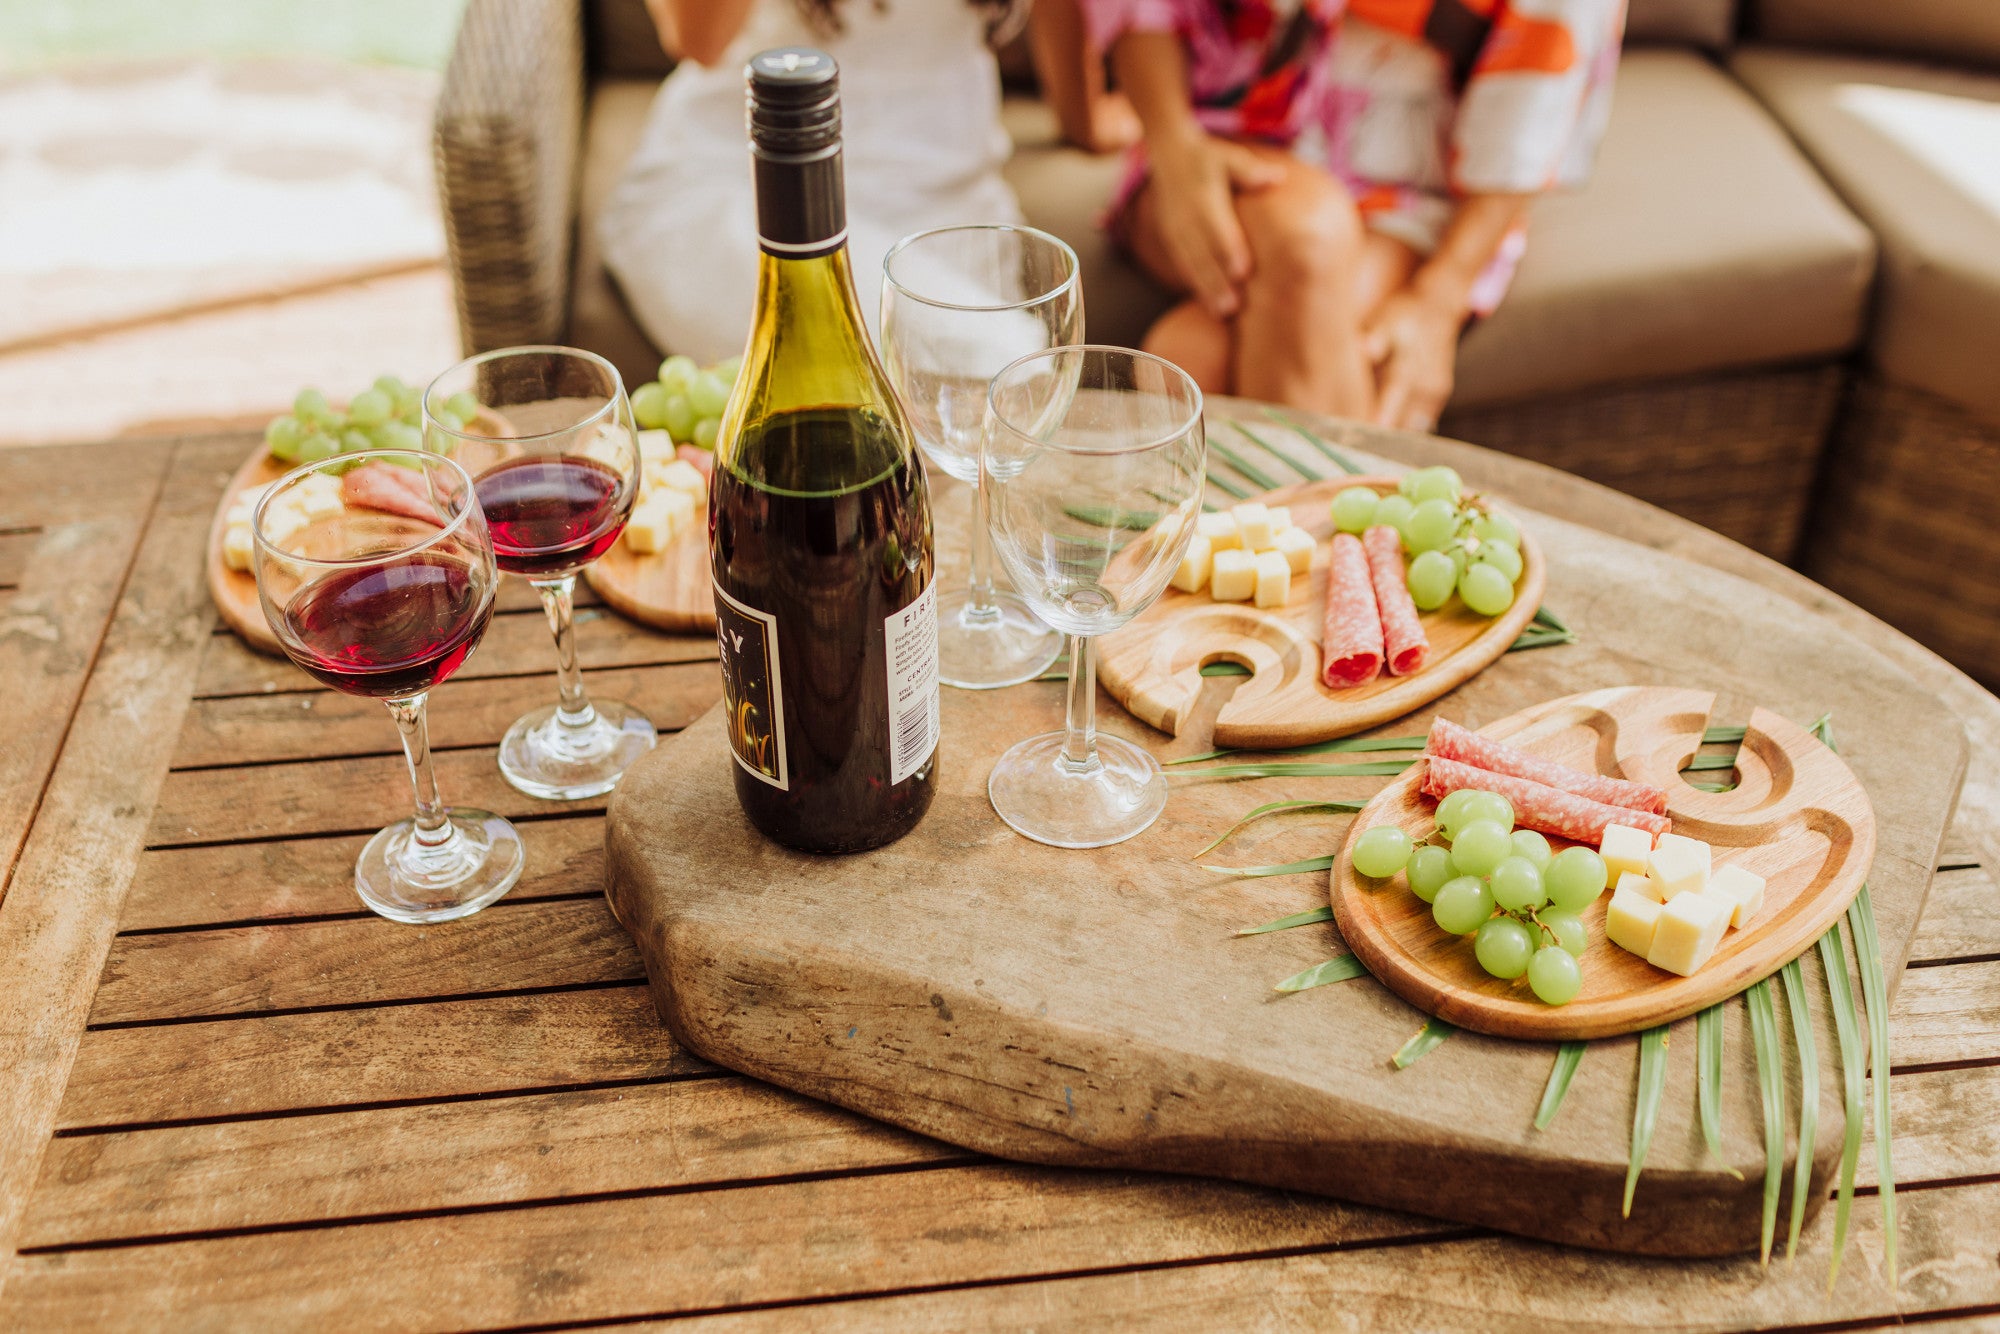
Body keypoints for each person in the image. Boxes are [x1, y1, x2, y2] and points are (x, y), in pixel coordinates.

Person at [1063, 0, 1624, 430]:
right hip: (1218, 140)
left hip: (1411, 195)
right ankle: (1353, 572)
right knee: (1306, 238)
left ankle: (1261, 571)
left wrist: (1438, 299)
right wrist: (1173, 142)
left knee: (1188, 358)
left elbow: (1536, 101)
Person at [602, 0, 1029, 365]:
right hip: (755, 178)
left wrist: (1087, 119)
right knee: (985, 357)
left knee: (996, 384)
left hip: (950, 195)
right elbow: (698, 39)